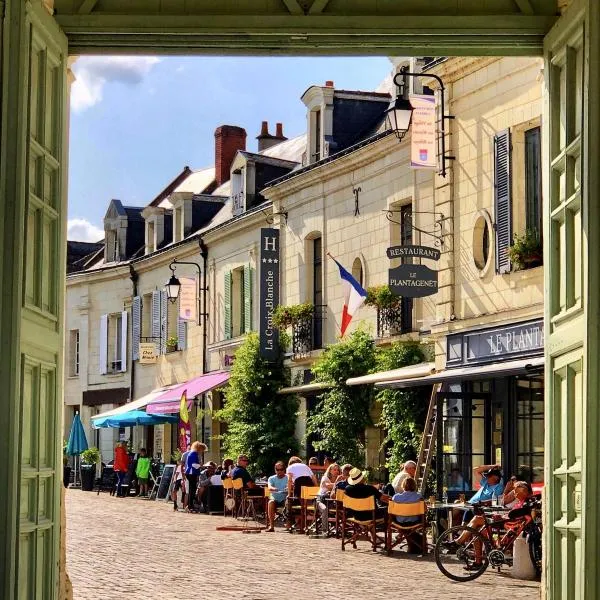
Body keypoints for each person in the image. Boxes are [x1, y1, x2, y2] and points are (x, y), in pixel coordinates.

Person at [391, 477, 425, 553]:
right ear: (414, 486)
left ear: (403, 486)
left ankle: (402, 538)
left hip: (399, 522)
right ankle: (417, 545)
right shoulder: (418, 497)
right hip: (414, 522)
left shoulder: (396, 497)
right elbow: (424, 510)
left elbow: (391, 511)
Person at [266, 461, 288, 532]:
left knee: (289, 501)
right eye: (277, 470)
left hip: (285, 499)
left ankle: (288, 524)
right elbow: (269, 486)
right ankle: (271, 526)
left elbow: (292, 487)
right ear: (275, 470)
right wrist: (273, 488)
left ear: (284, 470)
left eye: (281, 469)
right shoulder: (271, 478)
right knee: (270, 502)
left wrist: (289, 488)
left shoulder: (288, 477)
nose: (279, 471)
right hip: (275, 499)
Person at [185, 441, 207, 512]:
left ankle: (190, 505)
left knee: (192, 489)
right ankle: (190, 506)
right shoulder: (194, 454)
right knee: (192, 490)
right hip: (192, 473)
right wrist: (201, 466)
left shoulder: (191, 453)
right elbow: (194, 465)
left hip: (190, 472)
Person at [317, 463, 341, 527]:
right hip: (320, 500)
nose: (337, 471)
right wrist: (338, 481)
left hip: (331, 501)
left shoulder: (339, 480)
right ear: (330, 471)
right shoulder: (325, 478)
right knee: (325, 509)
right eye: (334, 470)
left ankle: (338, 527)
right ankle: (325, 529)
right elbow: (328, 486)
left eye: (338, 470)